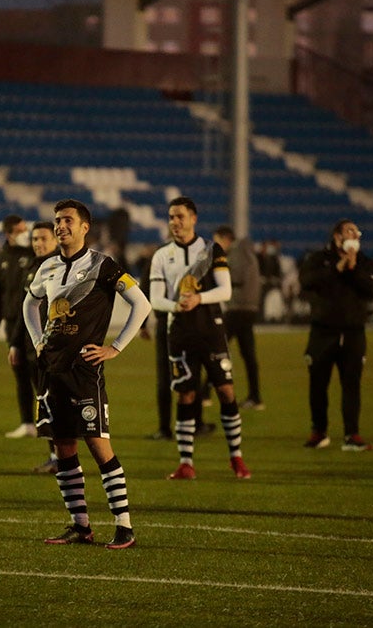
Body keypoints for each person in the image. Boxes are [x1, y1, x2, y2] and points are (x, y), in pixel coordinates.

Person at [22, 199, 151, 549]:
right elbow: (29, 303)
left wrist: (116, 347)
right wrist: (37, 341)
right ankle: (81, 526)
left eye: (67, 220)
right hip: (51, 370)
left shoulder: (103, 266)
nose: (60, 226)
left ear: (84, 227)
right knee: (63, 446)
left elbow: (142, 304)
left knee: (97, 444)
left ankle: (124, 526)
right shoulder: (47, 267)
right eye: (56, 221)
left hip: (84, 370)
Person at [150, 197, 251, 480]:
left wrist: (198, 298)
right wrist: (176, 306)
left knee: (226, 391)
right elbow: (155, 299)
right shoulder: (161, 256)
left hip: (211, 331)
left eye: (180, 216)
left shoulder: (211, 250)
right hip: (179, 333)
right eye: (171, 217)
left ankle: (236, 458)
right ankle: (186, 463)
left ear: (193, 218)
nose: (175, 222)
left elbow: (225, 291)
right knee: (186, 394)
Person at [298, 219, 373, 451]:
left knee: (351, 384)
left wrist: (353, 270)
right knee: (318, 384)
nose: (355, 234)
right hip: (323, 332)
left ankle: (351, 435)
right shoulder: (318, 259)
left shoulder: (364, 261)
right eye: (349, 231)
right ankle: (318, 431)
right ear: (337, 237)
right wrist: (336, 269)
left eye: (357, 231)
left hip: (354, 333)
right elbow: (306, 281)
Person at [8, 221, 60, 473]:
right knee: (45, 403)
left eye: (43, 239)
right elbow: (23, 310)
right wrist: (15, 344)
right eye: (35, 239)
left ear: (55, 240)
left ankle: (63, 458)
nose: (38, 243)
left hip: (52, 348)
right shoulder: (32, 267)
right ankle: (55, 456)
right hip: (31, 346)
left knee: (55, 403)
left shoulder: (60, 268)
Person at [0, 213, 36, 438]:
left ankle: (47, 423)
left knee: (39, 375)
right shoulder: (1, 258)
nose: (26, 234)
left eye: (26, 229)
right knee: (20, 375)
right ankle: (27, 423)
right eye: (20, 230)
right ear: (8, 234)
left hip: (32, 324)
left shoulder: (33, 255)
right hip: (11, 324)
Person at [213, 225, 265, 411]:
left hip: (238, 309)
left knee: (216, 348)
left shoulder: (237, 253)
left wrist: (215, 277)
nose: (217, 246)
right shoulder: (246, 251)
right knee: (248, 354)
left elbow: (235, 276)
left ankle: (203, 393)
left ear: (226, 239)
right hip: (248, 308)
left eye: (217, 241)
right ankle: (255, 396)